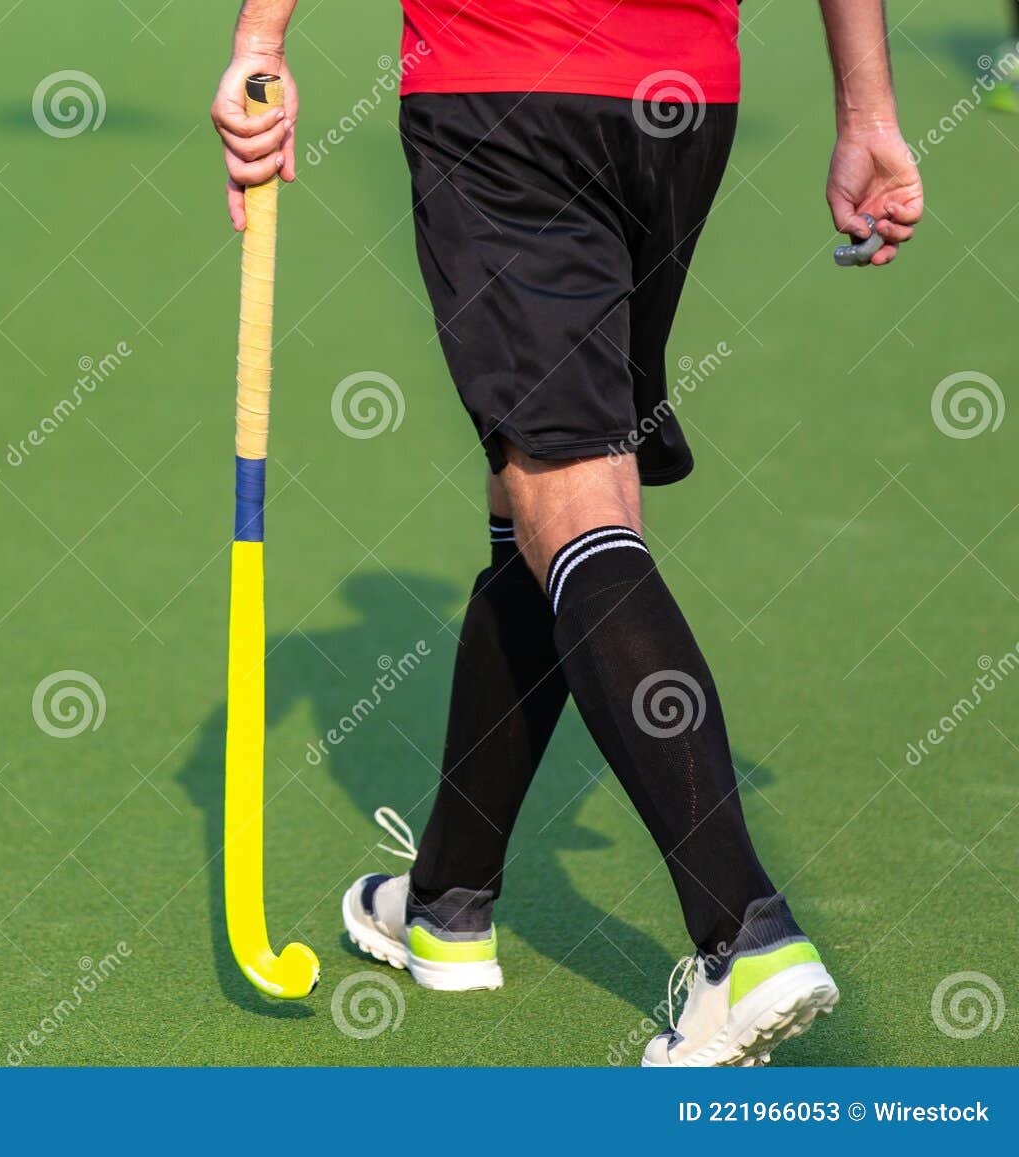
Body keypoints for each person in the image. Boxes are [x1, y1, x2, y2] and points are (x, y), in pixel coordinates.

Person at [211, 0, 924, 1067]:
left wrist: (260, 43)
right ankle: (447, 898)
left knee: (573, 491)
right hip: (677, 108)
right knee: (543, 486)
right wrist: (865, 107)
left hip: (500, 86)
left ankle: (746, 934)